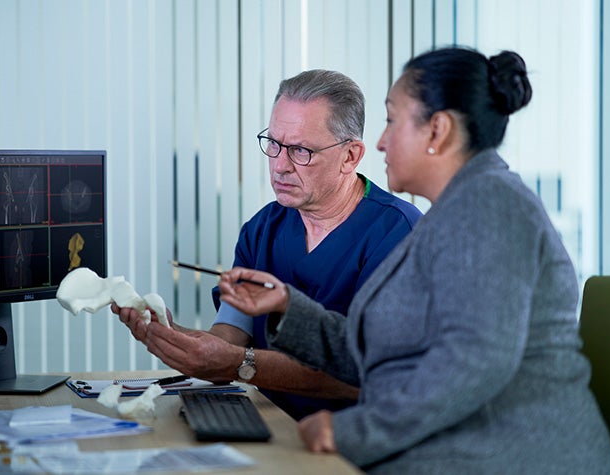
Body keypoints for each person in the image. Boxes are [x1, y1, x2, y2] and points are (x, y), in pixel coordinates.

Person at [216, 47, 610, 473]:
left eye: (391, 120)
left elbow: (474, 363)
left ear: (437, 130)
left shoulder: (491, 206)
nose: (381, 142)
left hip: (511, 456)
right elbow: (380, 350)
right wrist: (287, 309)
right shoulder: (451, 214)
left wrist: (353, 431)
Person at [113, 69, 423, 420]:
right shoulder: (263, 228)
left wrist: (239, 365)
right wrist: (171, 336)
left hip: (351, 442)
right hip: (269, 422)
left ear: (350, 156)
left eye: (300, 151)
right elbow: (229, 341)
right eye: (273, 144)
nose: (279, 166)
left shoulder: (398, 234)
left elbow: (371, 374)